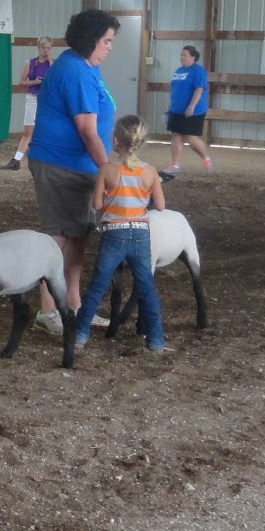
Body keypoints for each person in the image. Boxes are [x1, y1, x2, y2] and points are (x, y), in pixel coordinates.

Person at [26, 9, 120, 336]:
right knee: (59, 238)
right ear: (91, 40)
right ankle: (48, 311)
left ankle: (75, 305)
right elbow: (87, 130)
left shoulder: (87, 67)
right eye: (106, 41)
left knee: (78, 235)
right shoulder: (75, 72)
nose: (110, 47)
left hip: (77, 167)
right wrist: (108, 170)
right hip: (60, 165)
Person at [72, 116, 167, 354]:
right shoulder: (150, 172)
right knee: (146, 286)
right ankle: (156, 340)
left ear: (116, 141)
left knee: (97, 286)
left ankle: (80, 335)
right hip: (141, 234)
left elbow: (96, 205)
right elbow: (161, 206)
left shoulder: (108, 170)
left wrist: (109, 197)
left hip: (114, 234)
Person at [4, 37, 53, 170]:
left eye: (48, 48)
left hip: (47, 100)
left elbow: (57, 78)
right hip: (33, 97)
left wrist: (50, 59)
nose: (46, 50)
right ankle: (16, 160)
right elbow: (21, 82)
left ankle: (47, 160)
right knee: (28, 131)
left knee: (47, 130)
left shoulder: (52, 64)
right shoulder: (31, 63)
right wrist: (34, 82)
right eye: (43, 48)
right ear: (38, 48)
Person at [164, 44, 212, 179]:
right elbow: (175, 90)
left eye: (185, 55)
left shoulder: (198, 71)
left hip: (194, 111)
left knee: (191, 139)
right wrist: (171, 107)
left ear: (193, 57)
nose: (182, 57)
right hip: (176, 110)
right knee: (176, 135)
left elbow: (199, 89)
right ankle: (174, 165)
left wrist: (191, 106)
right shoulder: (178, 71)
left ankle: (206, 158)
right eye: (181, 54)